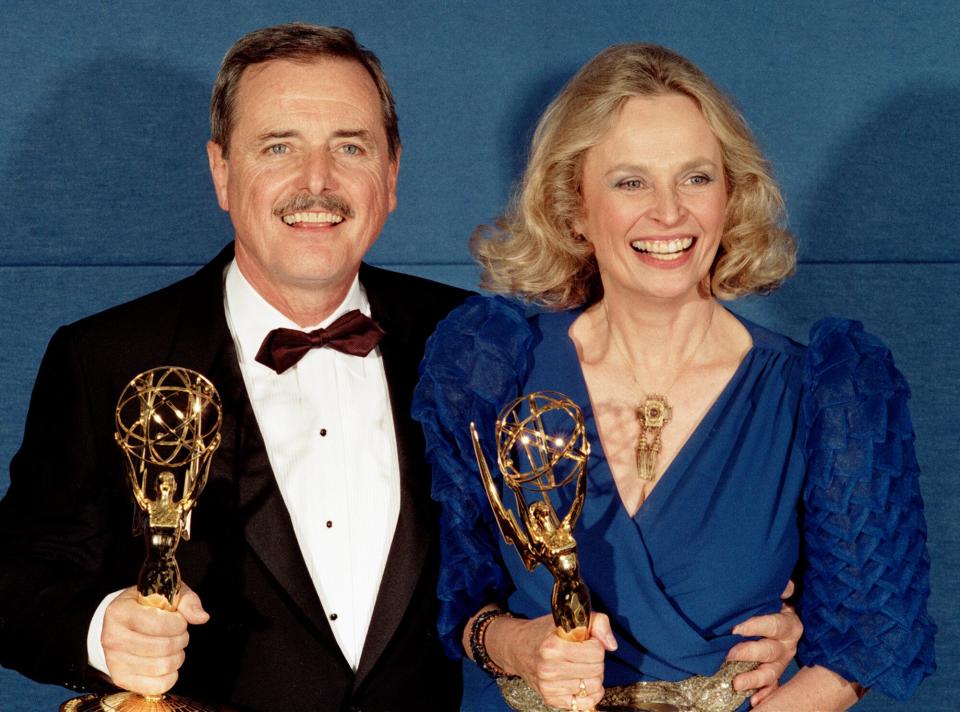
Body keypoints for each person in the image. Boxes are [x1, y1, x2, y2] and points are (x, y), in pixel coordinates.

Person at [413, 44, 936, 711]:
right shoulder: (489, 368)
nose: (669, 212)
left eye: (696, 178)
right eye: (631, 181)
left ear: (731, 195)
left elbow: (867, 640)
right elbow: (452, 602)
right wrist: (521, 648)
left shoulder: (824, 392)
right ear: (573, 207)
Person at [0, 23, 469, 711]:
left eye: (351, 146)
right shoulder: (104, 358)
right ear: (222, 171)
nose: (318, 182)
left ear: (391, 174)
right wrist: (101, 632)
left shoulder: (468, 339)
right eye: (279, 147)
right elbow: (16, 579)